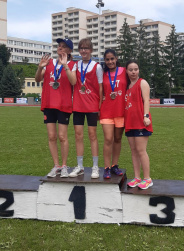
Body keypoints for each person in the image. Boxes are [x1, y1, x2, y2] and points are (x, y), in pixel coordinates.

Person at [35, 38, 76, 178]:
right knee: (52, 137)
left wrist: (65, 66)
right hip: (48, 104)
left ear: (69, 51)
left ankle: (64, 166)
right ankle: (56, 165)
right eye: (59, 45)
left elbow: (74, 81)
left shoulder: (72, 64)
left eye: (64, 46)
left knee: (62, 136)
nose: (60, 48)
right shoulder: (49, 63)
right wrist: (40, 67)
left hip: (63, 105)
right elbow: (37, 79)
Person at [68, 38, 103, 178]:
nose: (83, 51)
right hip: (78, 104)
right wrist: (66, 66)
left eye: (86, 48)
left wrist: (100, 105)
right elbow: (73, 81)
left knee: (92, 135)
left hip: (92, 105)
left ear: (91, 50)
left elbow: (100, 87)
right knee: (78, 135)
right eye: (81, 48)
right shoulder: (76, 66)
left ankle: (95, 167)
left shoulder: (97, 66)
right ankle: (80, 166)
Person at [124, 60, 153, 189]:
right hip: (130, 122)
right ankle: (137, 177)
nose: (133, 72)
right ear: (127, 71)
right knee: (134, 151)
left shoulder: (142, 82)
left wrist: (146, 116)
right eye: (131, 69)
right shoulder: (128, 86)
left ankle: (147, 179)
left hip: (141, 122)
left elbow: (146, 100)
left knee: (141, 151)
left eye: (136, 69)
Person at [100, 49, 127, 179]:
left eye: (112, 59)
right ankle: (106, 167)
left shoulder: (124, 71)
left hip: (121, 111)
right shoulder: (102, 73)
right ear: (105, 61)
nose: (110, 62)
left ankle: (114, 165)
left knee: (117, 139)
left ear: (116, 58)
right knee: (108, 139)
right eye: (107, 59)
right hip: (106, 111)